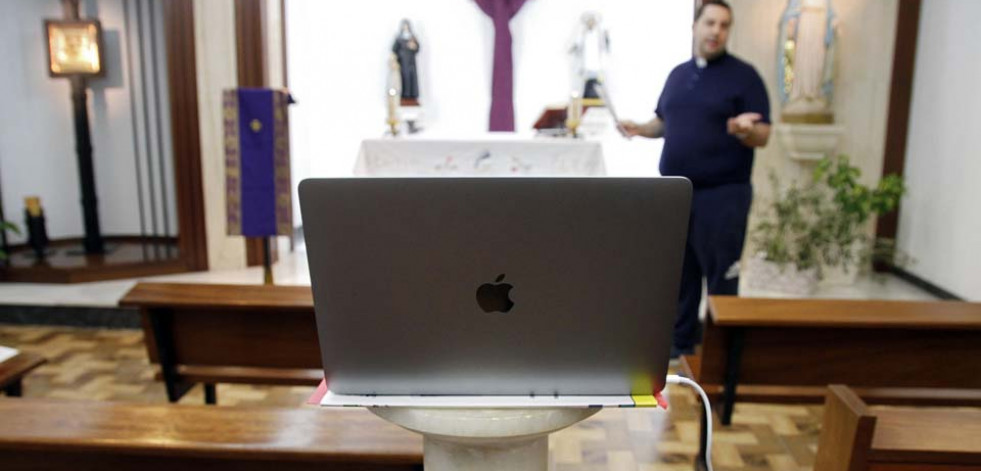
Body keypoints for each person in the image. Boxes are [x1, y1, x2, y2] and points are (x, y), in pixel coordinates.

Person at [619, 0, 771, 358]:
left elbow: (762, 134)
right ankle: (679, 345)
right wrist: (640, 129)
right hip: (676, 195)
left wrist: (745, 130)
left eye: (724, 25)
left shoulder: (744, 77)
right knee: (679, 276)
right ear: (695, 27)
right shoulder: (678, 75)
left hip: (723, 196)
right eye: (710, 23)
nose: (716, 31)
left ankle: (721, 357)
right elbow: (666, 122)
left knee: (721, 278)